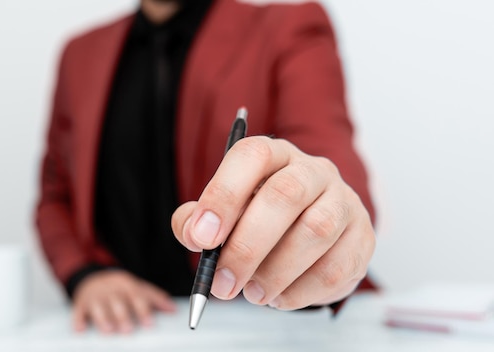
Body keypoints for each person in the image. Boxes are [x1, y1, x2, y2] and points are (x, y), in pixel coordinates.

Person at [35, 0, 377, 334]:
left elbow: (333, 169)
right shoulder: (79, 54)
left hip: (263, 323)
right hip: (132, 330)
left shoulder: (288, 28)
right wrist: (85, 275)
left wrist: (330, 217)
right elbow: (55, 195)